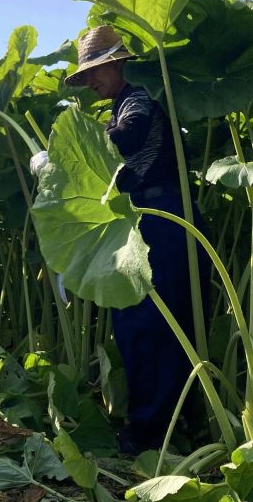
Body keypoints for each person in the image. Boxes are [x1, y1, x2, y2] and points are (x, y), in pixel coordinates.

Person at [65, 26, 210, 454]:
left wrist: (65, 156)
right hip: (150, 219)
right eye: (86, 75)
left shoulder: (136, 101)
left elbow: (126, 139)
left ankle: (152, 431)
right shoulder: (118, 107)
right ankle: (164, 424)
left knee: (150, 322)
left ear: (117, 63)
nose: (91, 81)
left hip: (164, 217)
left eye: (96, 71)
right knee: (147, 324)